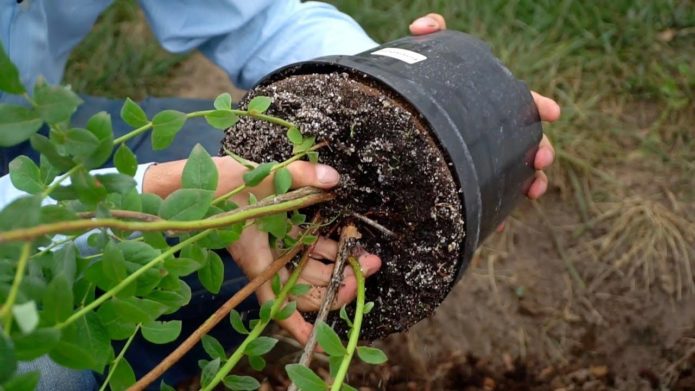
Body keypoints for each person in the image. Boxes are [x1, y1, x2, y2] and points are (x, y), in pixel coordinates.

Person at [0, 1, 560, 389]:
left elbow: (258, 17)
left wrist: (397, 87)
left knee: (226, 158)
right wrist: (149, 194)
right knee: (45, 371)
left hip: (26, 120)